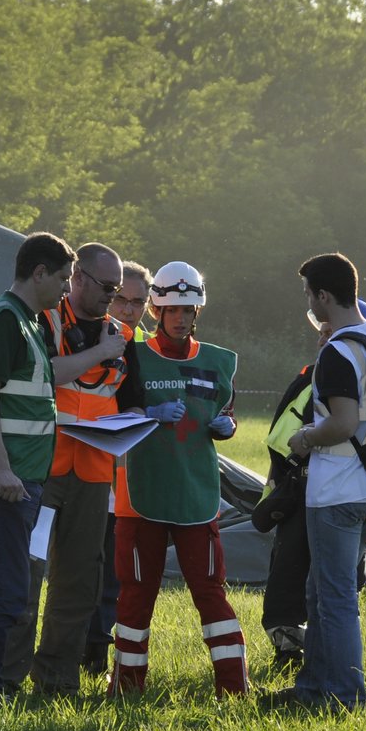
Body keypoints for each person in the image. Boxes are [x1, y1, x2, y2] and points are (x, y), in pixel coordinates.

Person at [2, 243, 143, 697]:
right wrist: (100, 353)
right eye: (106, 287)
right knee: (26, 573)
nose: (112, 297)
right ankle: (5, 677)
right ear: (76, 277)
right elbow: (44, 375)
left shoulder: (122, 336)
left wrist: (133, 423)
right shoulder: (45, 321)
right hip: (44, 464)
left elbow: (133, 400)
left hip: (95, 471)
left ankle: (57, 681)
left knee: (80, 580)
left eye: (118, 289)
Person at [109, 262, 248, 697]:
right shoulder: (133, 354)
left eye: (188, 309)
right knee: (136, 594)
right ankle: (126, 688)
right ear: (156, 310)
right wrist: (147, 414)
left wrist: (228, 425)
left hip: (196, 494)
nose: (181, 317)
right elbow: (110, 411)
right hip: (140, 494)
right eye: (172, 309)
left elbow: (224, 412)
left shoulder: (218, 361)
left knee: (210, 591)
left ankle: (234, 688)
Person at [0, 232, 76, 707]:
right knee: (5, 588)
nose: (67, 288)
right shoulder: (5, 320)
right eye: (63, 278)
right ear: (39, 272)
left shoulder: (29, 321)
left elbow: (48, 377)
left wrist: (105, 355)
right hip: (3, 479)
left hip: (13, 475)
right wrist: (3, 471)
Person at [273, 253, 366, 712]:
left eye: (309, 294)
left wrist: (303, 437)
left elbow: (341, 423)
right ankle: (314, 689)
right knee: (321, 592)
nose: (308, 302)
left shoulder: (338, 350)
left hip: (338, 491)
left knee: (336, 597)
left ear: (324, 295)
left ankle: (343, 696)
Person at [84, 261, 152, 674]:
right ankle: (82, 645)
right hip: (84, 466)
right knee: (83, 566)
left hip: (130, 477)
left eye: (138, 302)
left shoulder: (146, 345)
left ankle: (98, 649)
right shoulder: (89, 333)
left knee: (117, 572)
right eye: (121, 299)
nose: (128, 310)